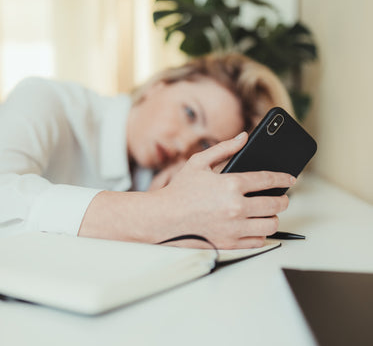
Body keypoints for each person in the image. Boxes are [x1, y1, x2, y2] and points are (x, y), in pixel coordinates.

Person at [0, 53, 295, 249]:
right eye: (190, 113)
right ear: (160, 85)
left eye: (206, 145)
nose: (183, 145)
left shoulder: (161, 178)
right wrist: (159, 211)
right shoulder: (44, 99)